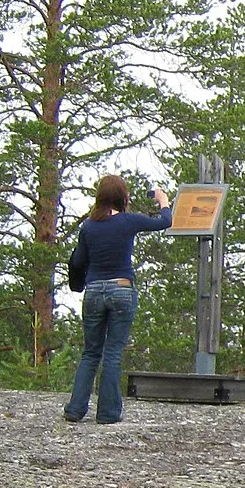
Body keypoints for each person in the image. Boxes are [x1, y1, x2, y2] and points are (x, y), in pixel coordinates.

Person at [64, 174, 173, 425]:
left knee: (90, 352)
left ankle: (75, 409)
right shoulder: (128, 221)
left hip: (93, 291)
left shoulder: (89, 227)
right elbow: (165, 221)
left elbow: (78, 261)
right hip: (122, 289)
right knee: (112, 352)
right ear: (122, 197)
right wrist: (163, 200)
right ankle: (108, 413)